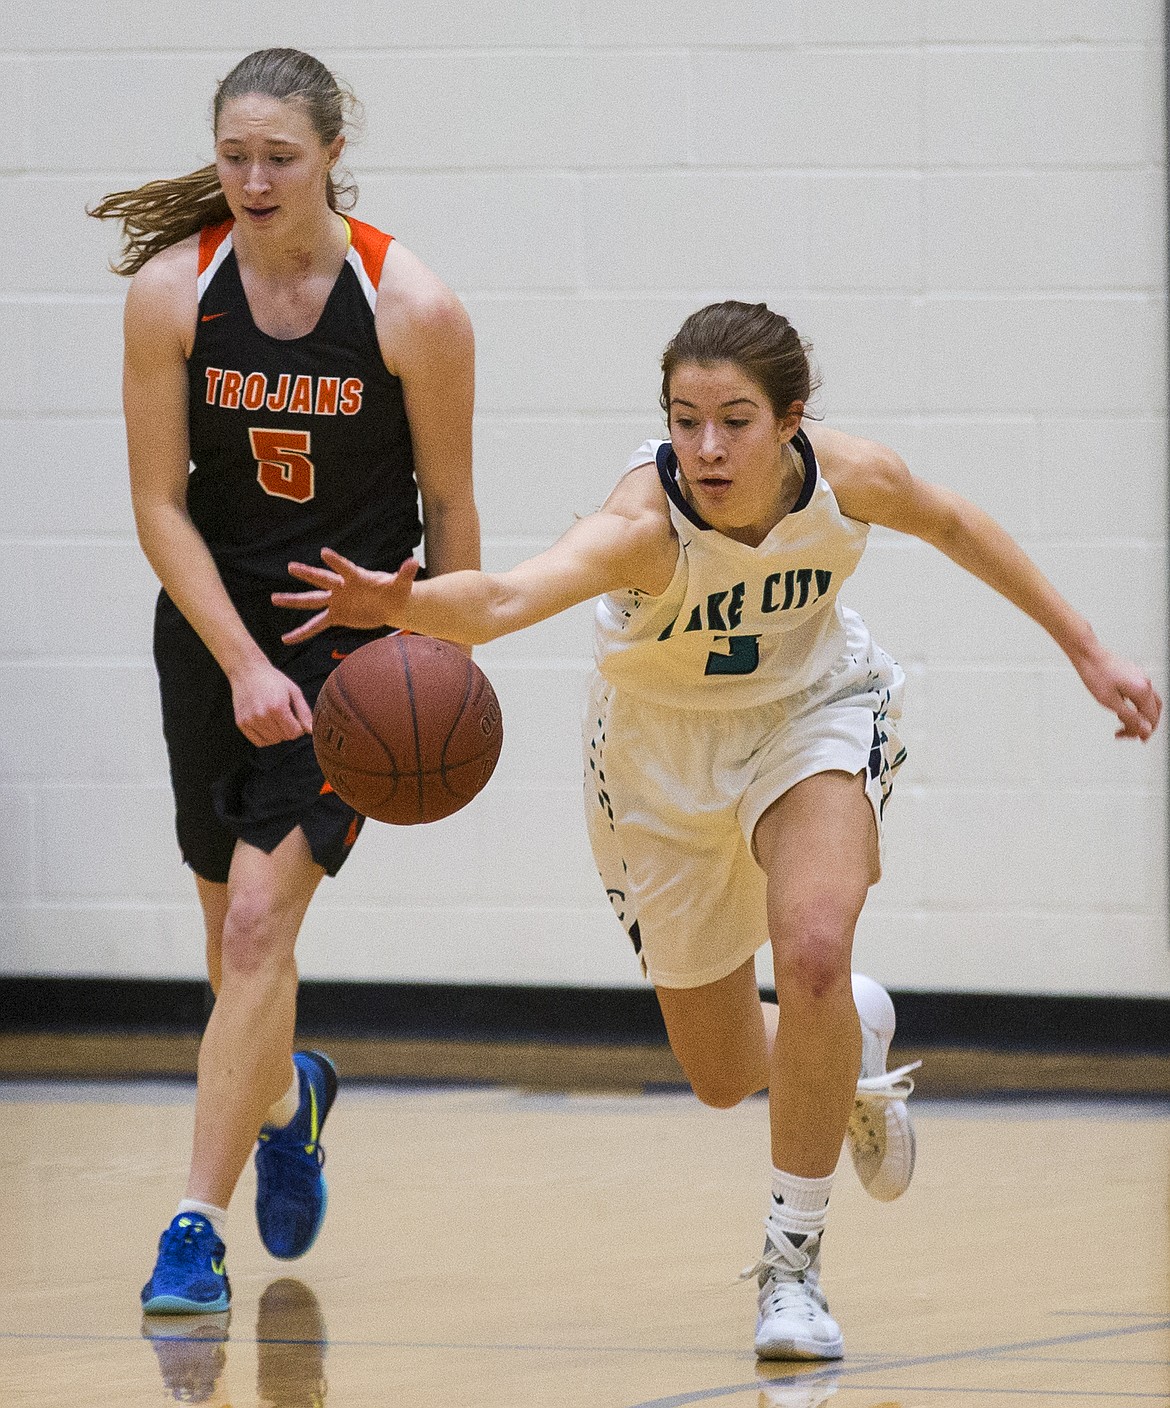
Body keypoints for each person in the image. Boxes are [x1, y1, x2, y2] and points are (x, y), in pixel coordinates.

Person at [273, 299, 1161, 1359]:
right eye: (684, 419)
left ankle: (792, 1268)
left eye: (733, 420)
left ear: (790, 419)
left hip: (812, 711)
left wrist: (1089, 652)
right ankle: (849, 1046)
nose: (705, 446)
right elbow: (509, 596)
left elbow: (960, 524)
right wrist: (403, 605)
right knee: (722, 1071)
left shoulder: (850, 479)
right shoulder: (645, 521)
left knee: (816, 946)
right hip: (657, 765)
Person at [89, 47, 480, 1314]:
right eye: (234, 157)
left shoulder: (411, 305)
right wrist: (245, 661)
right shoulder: (172, 292)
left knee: (261, 926)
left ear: (331, 154)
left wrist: (442, 659)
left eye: (280, 158)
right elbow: (158, 506)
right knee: (231, 951)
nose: (253, 181)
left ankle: (190, 1231)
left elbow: (452, 506)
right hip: (215, 639)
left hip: (353, 655)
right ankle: (289, 1099)